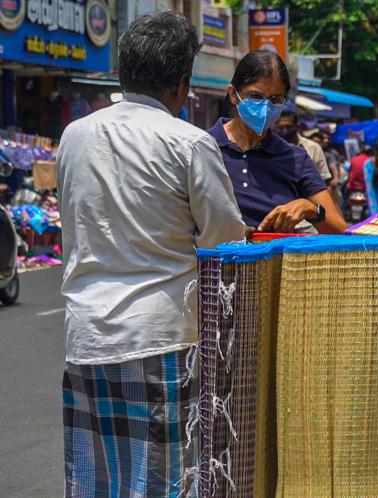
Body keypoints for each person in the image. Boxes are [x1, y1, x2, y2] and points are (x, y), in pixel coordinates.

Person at [56, 12, 245, 497]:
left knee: (96, 483)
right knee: (164, 484)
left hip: (87, 337)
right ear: (182, 83)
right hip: (159, 341)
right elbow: (226, 244)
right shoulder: (189, 142)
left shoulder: (75, 135)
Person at [208, 51, 346, 234]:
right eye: (256, 96)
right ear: (233, 94)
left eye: (275, 99)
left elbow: (340, 229)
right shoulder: (202, 148)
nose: (265, 107)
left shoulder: (295, 158)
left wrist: (312, 210)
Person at [274, 107, 333, 184]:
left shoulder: (313, 148)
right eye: (281, 127)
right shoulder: (270, 148)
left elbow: (324, 178)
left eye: (289, 127)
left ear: (297, 127)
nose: (285, 130)